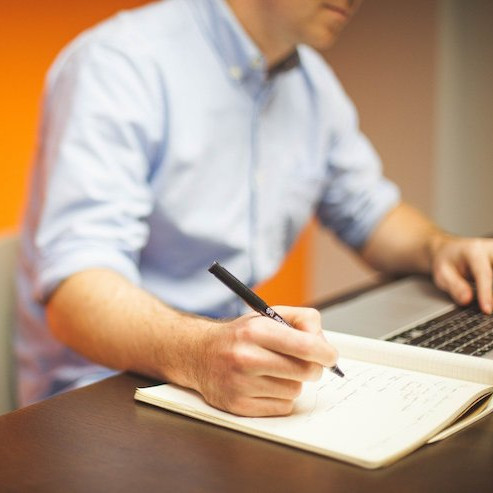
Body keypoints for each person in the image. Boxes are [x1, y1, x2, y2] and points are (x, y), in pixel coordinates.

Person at [16, 0, 493, 416]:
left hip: (227, 374)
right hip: (100, 397)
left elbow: (368, 211)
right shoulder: (119, 64)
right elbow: (76, 294)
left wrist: (439, 248)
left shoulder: (311, 85)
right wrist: (202, 354)